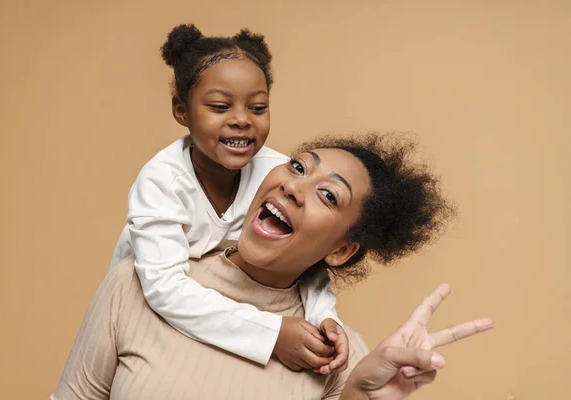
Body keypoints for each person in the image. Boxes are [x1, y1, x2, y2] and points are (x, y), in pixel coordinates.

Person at [52, 133, 492, 399]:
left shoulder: (340, 357)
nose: (295, 187)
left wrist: (360, 398)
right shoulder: (137, 283)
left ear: (340, 250)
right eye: (299, 167)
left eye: (328, 195)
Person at [110, 23, 348, 373]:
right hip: (148, 310)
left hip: (226, 314)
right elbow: (163, 289)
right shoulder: (162, 182)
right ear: (181, 111)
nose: (241, 120)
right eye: (220, 107)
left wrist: (324, 315)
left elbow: (305, 256)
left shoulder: (277, 173)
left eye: (257, 108)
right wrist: (273, 335)